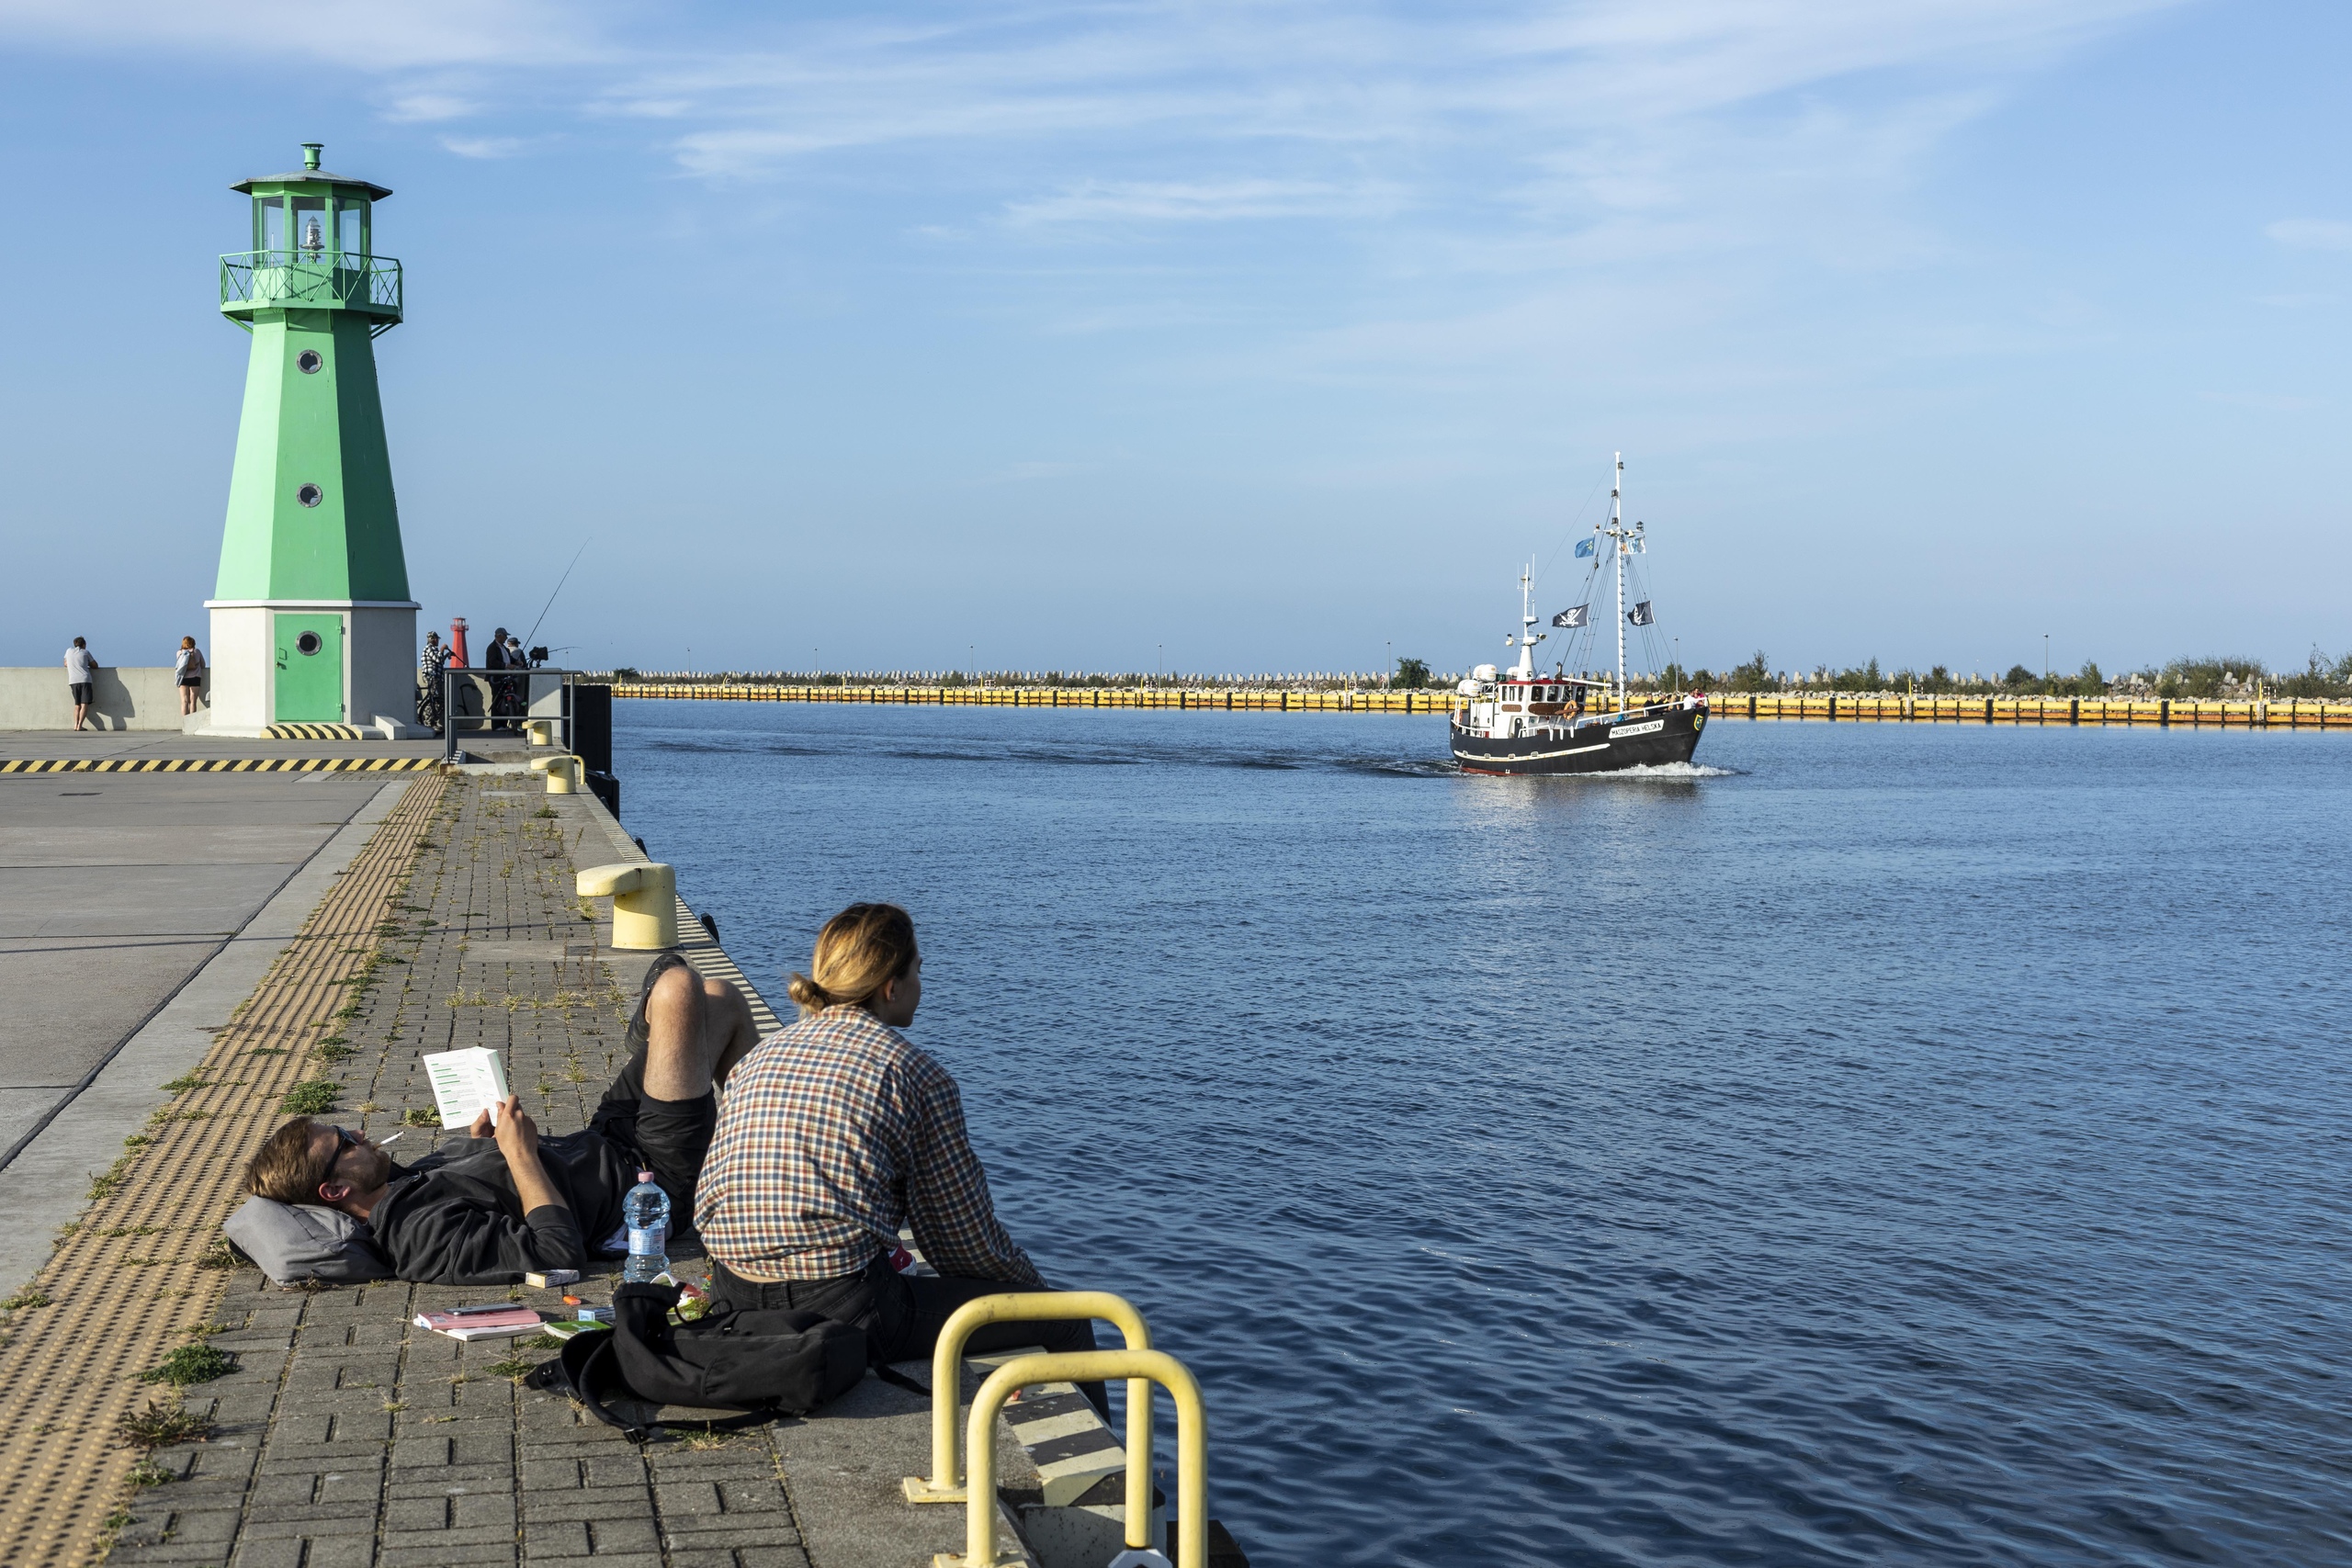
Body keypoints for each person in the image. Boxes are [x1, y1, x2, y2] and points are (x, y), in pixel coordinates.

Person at [695, 903, 1104, 1406]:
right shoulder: (913, 1073)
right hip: (838, 1306)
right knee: (1067, 1323)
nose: (920, 983)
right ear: (891, 986)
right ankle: (1117, 1487)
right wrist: (1032, 1292)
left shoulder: (760, 1058)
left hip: (731, 1290)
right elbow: (960, 1242)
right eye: (918, 971)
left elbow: (710, 1197)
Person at [241, 957, 760, 1284]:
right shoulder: (418, 1237)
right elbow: (558, 1256)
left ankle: (765, 1141)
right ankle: (768, 1149)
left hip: (606, 1141)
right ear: (333, 1191)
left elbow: (483, 1188)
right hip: (648, 1186)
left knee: (720, 998)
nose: (360, 1133)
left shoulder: (401, 1180)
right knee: (678, 990)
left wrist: (479, 1145)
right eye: (345, 1142)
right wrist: (519, 1154)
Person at [64, 637, 96, 730]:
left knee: (77, 704)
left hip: (73, 680)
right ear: (84, 644)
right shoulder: (85, 652)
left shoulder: (68, 651)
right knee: (84, 704)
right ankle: (80, 725)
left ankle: (75, 724)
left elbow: (66, 664)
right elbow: (95, 665)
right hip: (85, 679)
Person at [417, 631, 447, 731]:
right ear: (432, 639)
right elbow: (437, 659)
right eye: (436, 639)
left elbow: (440, 661)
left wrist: (445, 655)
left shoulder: (434, 649)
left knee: (438, 700)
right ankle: (430, 722)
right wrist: (442, 650)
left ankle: (433, 720)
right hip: (431, 677)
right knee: (433, 700)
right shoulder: (429, 648)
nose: (437, 641)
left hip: (437, 677)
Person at [175, 637, 207, 716]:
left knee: (184, 701)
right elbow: (203, 665)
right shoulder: (197, 651)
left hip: (183, 678)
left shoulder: (179, 652)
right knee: (193, 702)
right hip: (195, 678)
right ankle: (192, 723)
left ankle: (185, 723)